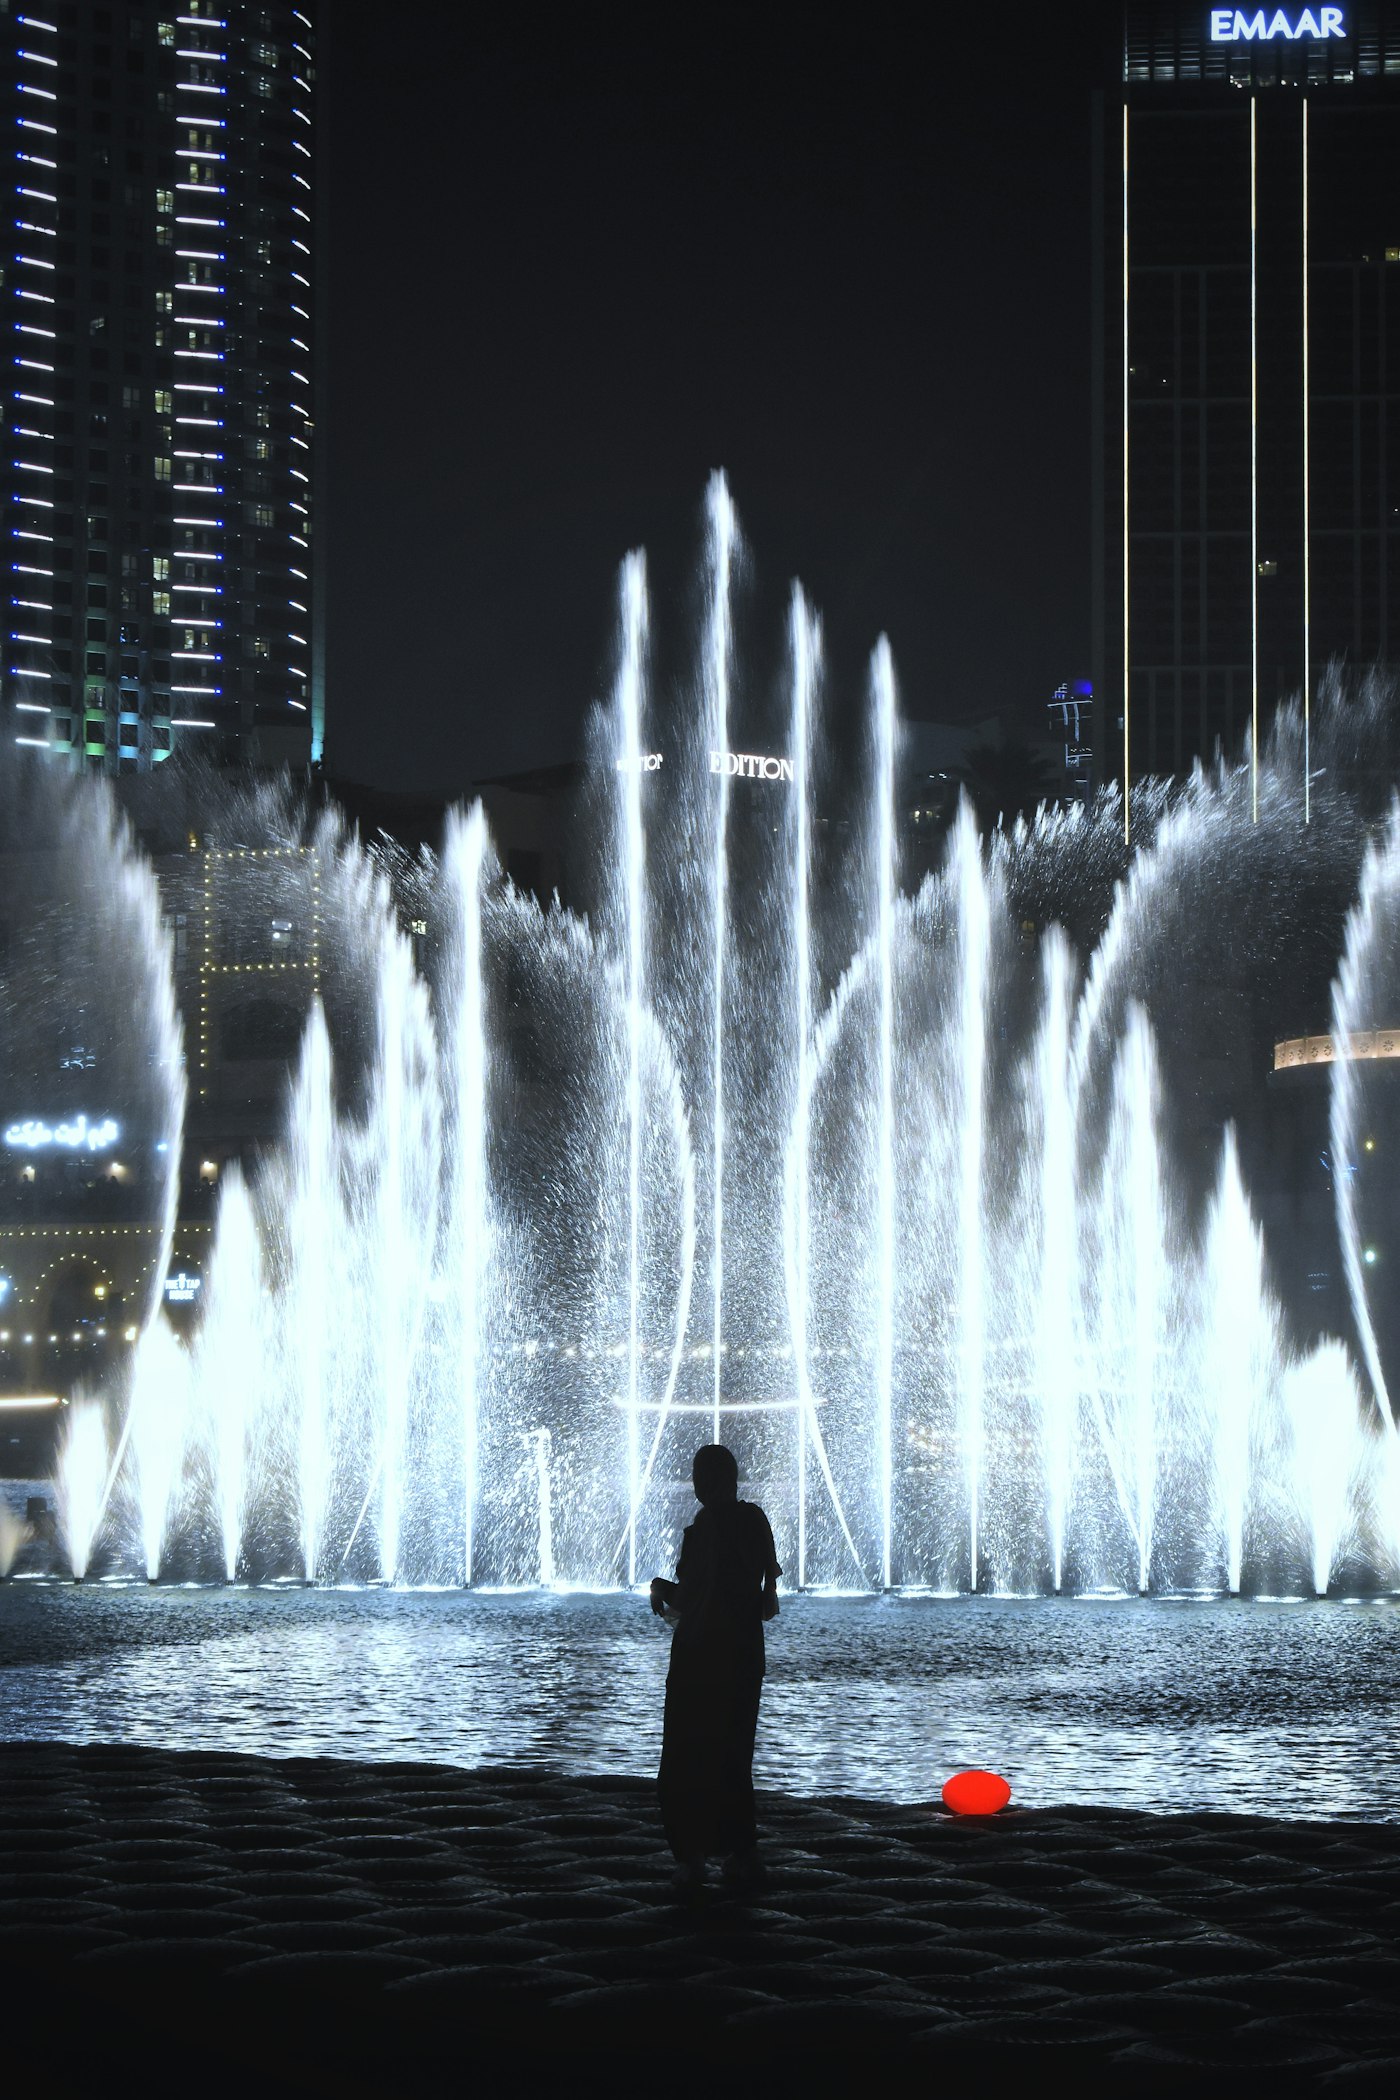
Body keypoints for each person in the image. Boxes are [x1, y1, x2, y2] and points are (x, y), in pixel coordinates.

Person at [650, 1443, 781, 1891]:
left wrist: (656, 1587)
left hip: (700, 1657)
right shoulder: (755, 1521)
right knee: (733, 1756)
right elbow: (763, 1599)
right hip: (745, 1656)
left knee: (687, 1755)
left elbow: (688, 1597)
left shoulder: (706, 1527)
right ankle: (744, 1852)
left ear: (705, 1480)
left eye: (697, 1474)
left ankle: (691, 1858)